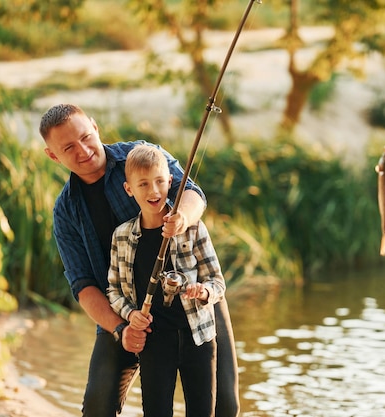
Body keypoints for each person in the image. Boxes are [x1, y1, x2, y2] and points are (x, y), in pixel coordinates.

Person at [39, 104, 239, 417]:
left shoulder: (141, 154)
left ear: (95, 126)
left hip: (192, 300)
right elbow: (83, 285)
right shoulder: (66, 211)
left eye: (86, 137)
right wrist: (121, 328)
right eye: (68, 147)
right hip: (127, 311)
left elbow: (191, 191)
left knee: (223, 405)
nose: (83, 150)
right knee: (97, 407)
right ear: (53, 155)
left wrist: (182, 217)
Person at [107, 144, 225, 416]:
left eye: (160, 182)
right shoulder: (121, 236)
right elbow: (113, 291)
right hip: (155, 342)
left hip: (199, 338)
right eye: (144, 184)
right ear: (129, 189)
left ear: (171, 182)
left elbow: (217, 281)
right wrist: (131, 314)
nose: (154, 191)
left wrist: (203, 292)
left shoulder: (193, 226)